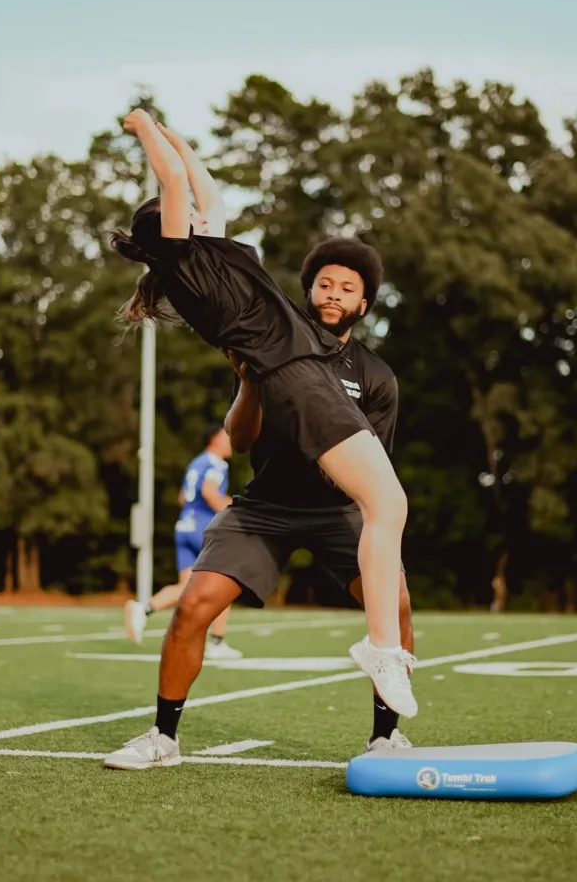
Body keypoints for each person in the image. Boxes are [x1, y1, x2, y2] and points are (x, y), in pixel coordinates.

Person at [107, 109, 415, 722]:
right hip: (294, 380)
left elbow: (205, 187)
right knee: (390, 506)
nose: (199, 209)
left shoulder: (212, 253)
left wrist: (176, 136)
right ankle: (382, 649)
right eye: (186, 213)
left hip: (301, 378)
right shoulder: (183, 262)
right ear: (170, 231)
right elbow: (173, 181)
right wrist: (143, 126)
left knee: (386, 507)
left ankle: (382, 647)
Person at [124, 424, 243, 661]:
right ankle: (216, 642)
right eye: (225, 437)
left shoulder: (196, 463)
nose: (231, 441)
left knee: (187, 588)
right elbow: (210, 493)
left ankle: (144, 609)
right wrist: (234, 513)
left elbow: (183, 497)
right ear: (213, 440)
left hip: (185, 526)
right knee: (228, 581)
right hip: (203, 528)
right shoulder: (216, 464)